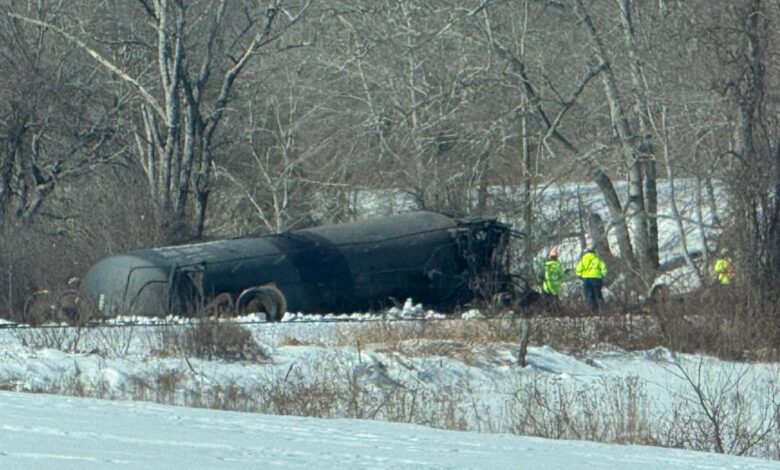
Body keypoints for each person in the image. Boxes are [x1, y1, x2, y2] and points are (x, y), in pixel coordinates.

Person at [575, 242, 607, 311]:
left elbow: (578, 270)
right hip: (596, 279)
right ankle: (602, 309)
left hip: (586, 279)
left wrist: (580, 276)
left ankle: (592, 310)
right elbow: (604, 269)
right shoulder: (597, 259)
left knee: (589, 295)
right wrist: (602, 276)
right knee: (597, 294)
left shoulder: (583, 260)